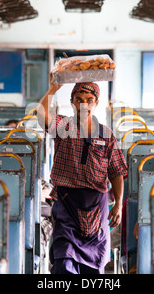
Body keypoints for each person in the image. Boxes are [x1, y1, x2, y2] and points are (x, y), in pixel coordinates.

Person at [36, 76, 128, 274]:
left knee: (93, 266)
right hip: (67, 203)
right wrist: (53, 88)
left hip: (96, 206)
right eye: (79, 99)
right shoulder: (63, 127)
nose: (83, 104)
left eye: (89, 100)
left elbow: (116, 172)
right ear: (72, 102)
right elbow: (40, 114)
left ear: (96, 103)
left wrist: (118, 205)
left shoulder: (106, 134)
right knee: (64, 261)